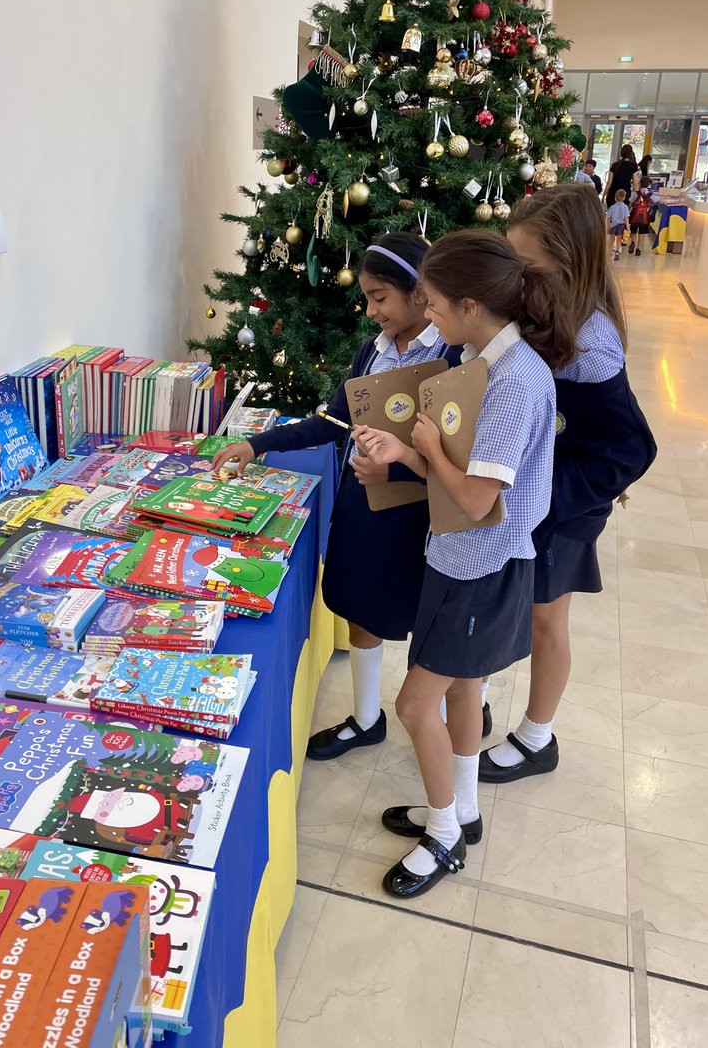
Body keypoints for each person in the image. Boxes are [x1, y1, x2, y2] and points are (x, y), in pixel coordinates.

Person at [354, 230, 576, 899]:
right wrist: (407, 455)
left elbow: (479, 498)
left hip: (482, 566)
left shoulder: (512, 381)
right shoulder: (483, 362)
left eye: (437, 305)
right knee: (461, 691)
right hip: (456, 557)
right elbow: (461, 477)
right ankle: (463, 811)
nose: (434, 320)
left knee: (413, 704)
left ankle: (445, 838)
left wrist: (427, 445)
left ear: (472, 305)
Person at [211, 234, 465, 761]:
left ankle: (440, 718)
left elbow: (460, 460)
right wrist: (258, 444)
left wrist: (402, 465)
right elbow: (332, 420)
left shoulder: (453, 356)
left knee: (428, 621)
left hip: (421, 518)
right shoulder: (370, 351)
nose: (370, 310)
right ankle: (366, 718)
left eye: (380, 298)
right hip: (364, 508)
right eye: (368, 297)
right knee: (357, 604)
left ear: (420, 294)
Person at [479, 185, 656, 786]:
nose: (514, 277)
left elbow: (631, 448)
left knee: (546, 619)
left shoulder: (593, 343)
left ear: (568, 262)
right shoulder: (537, 308)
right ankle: (470, 691)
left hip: (564, 504)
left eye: (526, 266)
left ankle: (536, 737)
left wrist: (550, 495)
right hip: (527, 493)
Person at [604, 145, 640, 209]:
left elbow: (609, 183)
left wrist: (604, 195)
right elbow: (635, 183)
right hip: (625, 195)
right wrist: (639, 195)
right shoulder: (633, 166)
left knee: (611, 216)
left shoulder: (615, 165)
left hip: (612, 195)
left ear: (621, 153)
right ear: (631, 153)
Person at [629, 175, 657, 255]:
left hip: (635, 215)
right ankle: (639, 249)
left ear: (640, 184)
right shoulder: (650, 195)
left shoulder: (636, 193)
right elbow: (660, 201)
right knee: (642, 233)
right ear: (649, 185)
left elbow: (630, 203)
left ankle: (633, 242)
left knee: (633, 231)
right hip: (645, 217)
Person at [607, 189, 631, 260]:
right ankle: (617, 251)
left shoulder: (612, 207)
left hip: (613, 225)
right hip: (621, 225)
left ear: (615, 198)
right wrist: (627, 227)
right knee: (619, 239)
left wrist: (607, 227)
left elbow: (608, 218)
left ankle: (610, 251)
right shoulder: (625, 207)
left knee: (612, 238)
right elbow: (626, 218)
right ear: (624, 198)